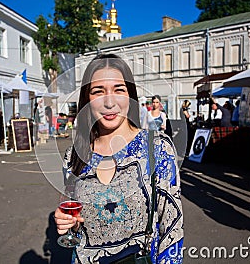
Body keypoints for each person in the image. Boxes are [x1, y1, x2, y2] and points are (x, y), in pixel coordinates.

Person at [54, 54, 184, 263]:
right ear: (87, 98)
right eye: (98, 91)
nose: (109, 101)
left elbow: (172, 230)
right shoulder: (74, 155)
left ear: (130, 95)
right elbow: (77, 222)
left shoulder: (157, 147)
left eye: (118, 90)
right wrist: (70, 223)